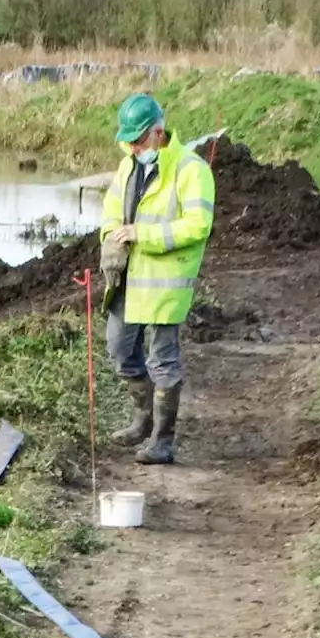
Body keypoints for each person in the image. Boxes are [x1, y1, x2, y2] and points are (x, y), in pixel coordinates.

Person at [100, 93, 215, 465]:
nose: (133, 148)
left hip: (166, 281)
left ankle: (162, 441)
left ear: (158, 133)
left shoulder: (191, 169)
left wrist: (141, 235)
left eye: (138, 141)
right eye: (128, 142)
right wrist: (109, 242)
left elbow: (198, 226)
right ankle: (142, 419)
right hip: (128, 279)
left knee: (163, 360)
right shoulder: (128, 166)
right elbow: (111, 213)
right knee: (120, 350)